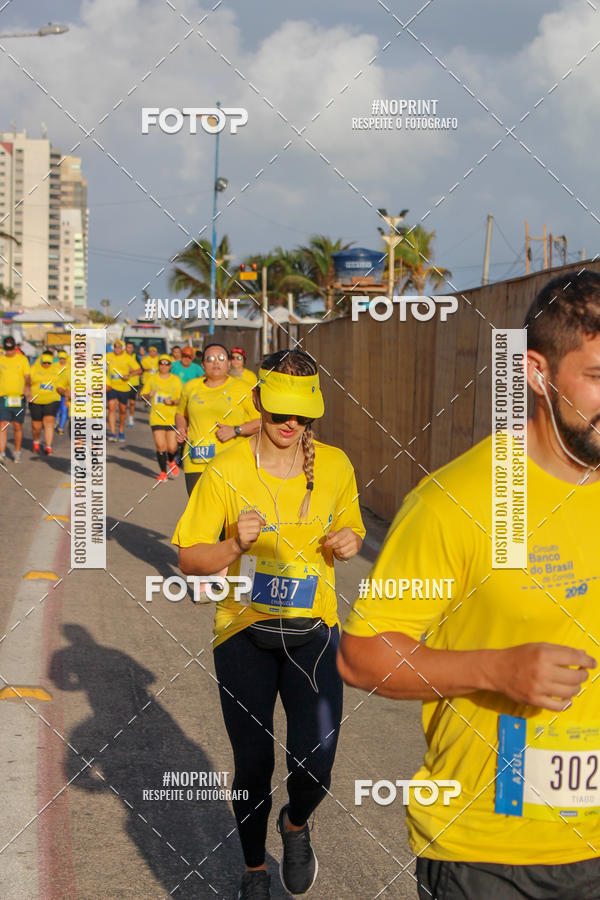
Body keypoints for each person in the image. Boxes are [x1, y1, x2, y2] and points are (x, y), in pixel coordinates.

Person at [338, 271, 600, 899]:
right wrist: (496, 670)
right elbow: (361, 654)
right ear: (536, 372)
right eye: (597, 377)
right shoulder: (458, 501)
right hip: (489, 851)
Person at [172, 349, 365, 899]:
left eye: (301, 416)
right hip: (242, 633)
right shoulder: (227, 468)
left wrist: (351, 541)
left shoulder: (335, 465)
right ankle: (254, 869)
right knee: (253, 762)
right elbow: (188, 558)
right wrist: (234, 544)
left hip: (315, 632)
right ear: (258, 401)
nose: (290, 425)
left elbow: (351, 525)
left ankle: (296, 823)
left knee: (317, 762)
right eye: (280, 412)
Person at [174, 342, 261, 496]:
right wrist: (181, 427)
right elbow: (181, 413)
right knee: (201, 515)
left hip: (232, 462)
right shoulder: (190, 387)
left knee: (230, 517)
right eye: (210, 358)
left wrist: (236, 430)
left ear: (228, 363)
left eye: (221, 358)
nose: (216, 362)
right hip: (196, 462)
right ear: (202, 365)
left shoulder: (243, 388)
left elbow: (262, 421)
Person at [141, 354, 182, 482]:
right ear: (158, 365)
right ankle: (163, 472)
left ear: (170, 366)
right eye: (161, 363)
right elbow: (143, 396)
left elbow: (181, 399)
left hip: (171, 417)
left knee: (172, 447)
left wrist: (173, 402)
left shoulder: (176, 380)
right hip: (157, 417)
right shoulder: (152, 379)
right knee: (160, 446)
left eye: (167, 363)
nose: (164, 366)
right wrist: (148, 394)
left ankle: (171, 460)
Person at [0, 334, 31, 463]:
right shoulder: (1, 359)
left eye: (12, 349)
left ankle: (17, 451)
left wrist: (28, 388)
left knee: (17, 426)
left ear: (15, 347)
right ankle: (1, 453)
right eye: (8, 350)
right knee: (3, 425)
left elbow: (27, 376)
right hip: (3, 398)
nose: (10, 352)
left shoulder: (22, 359)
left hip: (18, 398)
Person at [29, 350, 65, 455]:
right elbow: (26, 381)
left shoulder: (56, 370)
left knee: (49, 422)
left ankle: (48, 446)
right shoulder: (34, 368)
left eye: (49, 362)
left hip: (52, 399)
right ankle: (36, 440)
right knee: (37, 426)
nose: (46, 364)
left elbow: (62, 383)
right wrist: (27, 393)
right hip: (36, 400)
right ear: (41, 361)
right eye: (44, 362)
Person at [106, 340, 141, 442]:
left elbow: (139, 370)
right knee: (111, 408)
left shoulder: (128, 358)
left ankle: (121, 431)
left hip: (124, 387)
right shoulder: (108, 356)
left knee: (122, 410)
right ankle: (112, 433)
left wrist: (129, 375)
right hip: (111, 386)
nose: (117, 348)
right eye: (115, 346)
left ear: (123, 348)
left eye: (119, 347)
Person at [125, 341, 141, 427]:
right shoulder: (122, 357)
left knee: (132, 402)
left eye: (131, 347)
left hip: (134, 383)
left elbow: (140, 369)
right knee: (122, 403)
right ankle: (123, 417)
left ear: (133, 348)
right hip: (123, 383)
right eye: (128, 347)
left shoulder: (136, 357)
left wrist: (131, 373)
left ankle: (131, 418)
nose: (129, 349)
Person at [55, 349, 70, 435]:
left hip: (65, 392)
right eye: (60, 358)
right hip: (55, 391)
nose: (62, 360)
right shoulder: (54, 366)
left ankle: (61, 427)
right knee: (57, 409)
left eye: (64, 358)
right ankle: (55, 422)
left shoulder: (69, 367)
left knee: (64, 409)